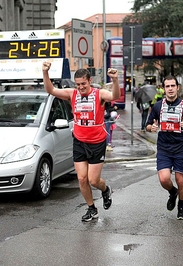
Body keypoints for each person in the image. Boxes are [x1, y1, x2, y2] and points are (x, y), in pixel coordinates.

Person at [42, 62, 120, 222]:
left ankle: (105, 190)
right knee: (82, 179)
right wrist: (45, 73)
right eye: (78, 84)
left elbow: (115, 96)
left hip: (97, 142)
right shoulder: (72, 94)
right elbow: (51, 90)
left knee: (93, 180)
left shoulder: (99, 94)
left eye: (83, 84)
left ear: (89, 81)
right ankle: (91, 208)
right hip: (79, 141)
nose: (81, 87)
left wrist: (115, 80)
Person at [146, 75, 183, 220]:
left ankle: (181, 207)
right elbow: (148, 125)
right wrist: (152, 127)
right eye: (167, 86)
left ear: (177, 87)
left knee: (181, 181)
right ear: (163, 89)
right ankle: (173, 192)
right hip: (164, 148)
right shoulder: (158, 106)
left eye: (172, 86)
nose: (170, 89)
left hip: (181, 149)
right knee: (164, 180)